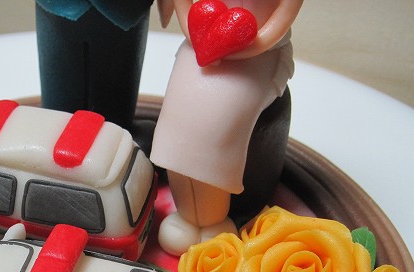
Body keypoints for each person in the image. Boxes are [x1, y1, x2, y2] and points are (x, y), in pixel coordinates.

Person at [152, 0, 303, 255]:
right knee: (180, 113)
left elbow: (282, 16)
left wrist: (243, 47)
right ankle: (186, 214)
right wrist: (199, 37)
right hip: (199, 44)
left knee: (220, 122)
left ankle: (212, 220)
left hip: (259, 55)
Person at [35, 0, 159, 151]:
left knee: (116, 105)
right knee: (59, 108)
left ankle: (116, 141)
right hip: (58, 9)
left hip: (126, 11)